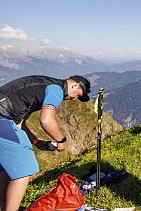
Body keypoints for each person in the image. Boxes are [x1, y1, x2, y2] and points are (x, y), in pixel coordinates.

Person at [0, 75, 91, 211]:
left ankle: (6, 207)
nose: (75, 98)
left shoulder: (42, 85)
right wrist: (62, 140)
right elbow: (46, 120)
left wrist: (37, 142)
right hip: (3, 118)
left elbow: (21, 124)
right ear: (75, 85)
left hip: (5, 119)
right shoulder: (56, 89)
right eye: (78, 94)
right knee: (25, 168)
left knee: (8, 171)